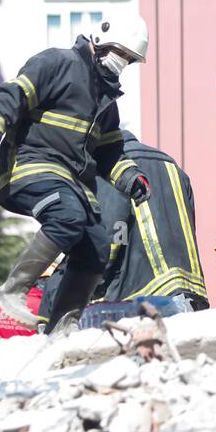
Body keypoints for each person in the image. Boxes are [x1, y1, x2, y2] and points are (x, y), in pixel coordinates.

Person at [0, 15, 152, 333]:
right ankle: (12, 291)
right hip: (31, 166)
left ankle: (64, 323)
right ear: (101, 39)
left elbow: (109, 153)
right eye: (121, 52)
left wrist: (130, 178)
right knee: (68, 216)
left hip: (72, 182)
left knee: (97, 245)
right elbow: (10, 97)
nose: (123, 62)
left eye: (130, 59)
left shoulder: (107, 100)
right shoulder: (57, 63)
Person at [56, 130, 207, 310]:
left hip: (146, 298)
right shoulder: (171, 165)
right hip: (191, 294)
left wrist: (93, 281)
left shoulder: (112, 165)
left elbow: (111, 229)